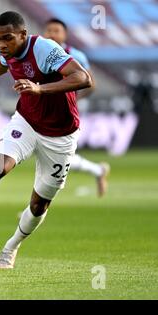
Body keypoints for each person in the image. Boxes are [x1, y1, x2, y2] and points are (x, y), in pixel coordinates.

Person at [0, 11, 92, 269]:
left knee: (39, 204)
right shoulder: (10, 51)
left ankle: (11, 247)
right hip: (27, 122)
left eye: (8, 38)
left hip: (61, 135)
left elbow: (83, 78)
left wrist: (39, 88)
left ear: (23, 35)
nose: (2, 44)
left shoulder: (44, 49)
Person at [44, 18, 110, 197]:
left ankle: (39, 204)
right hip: (45, 112)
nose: (51, 34)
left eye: (56, 30)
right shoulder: (40, 52)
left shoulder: (76, 56)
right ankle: (98, 171)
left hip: (64, 114)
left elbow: (91, 84)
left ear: (64, 34)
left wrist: (74, 100)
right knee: (53, 156)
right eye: (48, 30)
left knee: (57, 156)